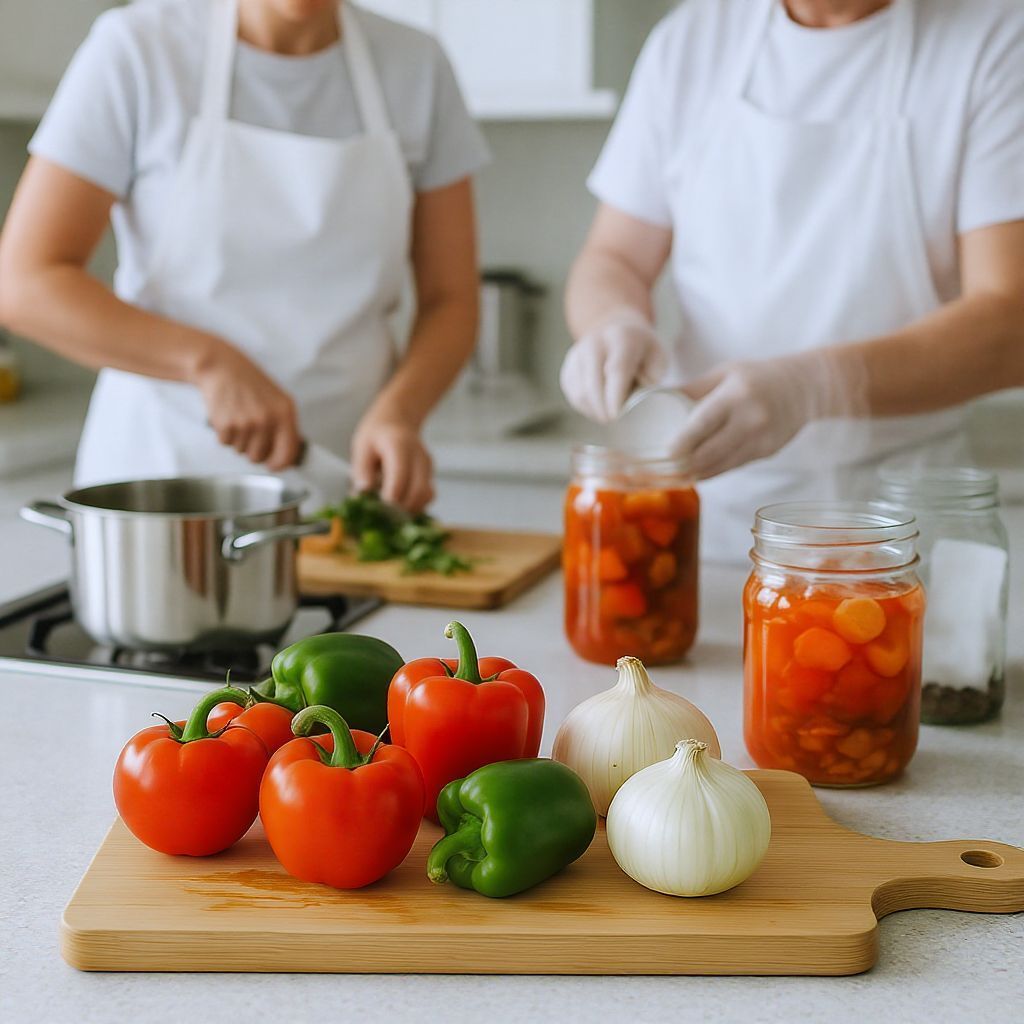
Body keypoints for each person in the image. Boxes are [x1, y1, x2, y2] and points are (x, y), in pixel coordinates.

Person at [561, 0, 1024, 559]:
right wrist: (612, 321)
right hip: (705, 517)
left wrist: (817, 385)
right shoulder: (690, 41)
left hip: (897, 530)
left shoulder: (996, 39)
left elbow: (1010, 320)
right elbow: (614, 258)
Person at [0, 0, 489, 511]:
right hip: (162, 493)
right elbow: (26, 283)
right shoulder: (139, 49)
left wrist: (401, 413)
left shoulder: (417, 65)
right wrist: (206, 363)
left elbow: (450, 299)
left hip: (343, 486)